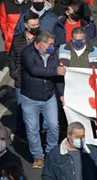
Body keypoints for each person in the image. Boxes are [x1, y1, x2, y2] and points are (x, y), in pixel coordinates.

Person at [20, 31, 64, 169]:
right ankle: (38, 156)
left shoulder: (53, 55)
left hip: (49, 96)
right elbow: (34, 70)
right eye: (50, 44)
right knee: (33, 129)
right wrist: (55, 71)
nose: (52, 47)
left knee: (53, 125)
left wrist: (61, 94)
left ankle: (51, 152)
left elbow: (58, 78)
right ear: (41, 43)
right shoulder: (27, 53)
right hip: (30, 98)